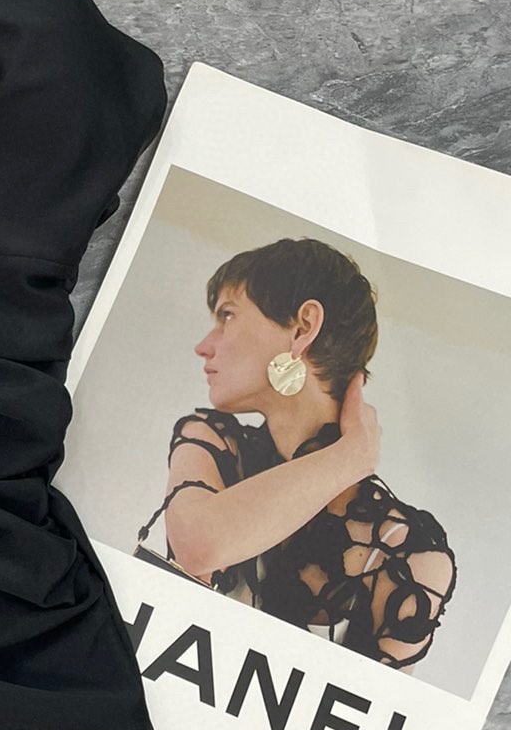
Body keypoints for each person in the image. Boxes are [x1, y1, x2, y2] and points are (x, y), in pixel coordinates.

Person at [135, 236, 457, 670]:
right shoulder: (210, 440)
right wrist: (350, 457)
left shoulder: (410, 554)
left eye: (227, 315)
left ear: (303, 327)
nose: (204, 345)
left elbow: (369, 710)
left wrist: (352, 458)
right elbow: (199, 546)